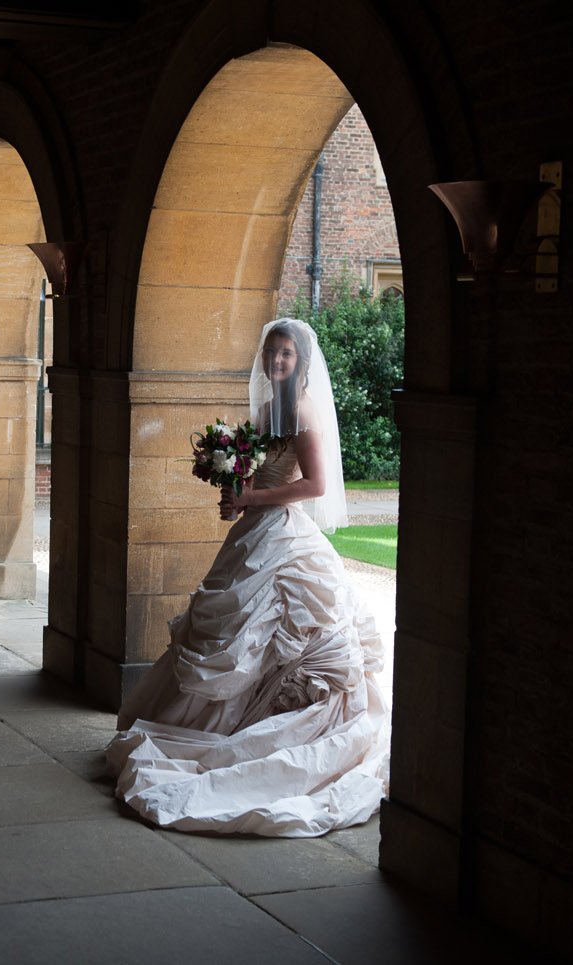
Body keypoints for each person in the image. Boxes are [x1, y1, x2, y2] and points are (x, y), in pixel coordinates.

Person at [106, 318, 389, 836]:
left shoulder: (302, 411)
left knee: (282, 634)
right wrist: (234, 494)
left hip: (284, 536)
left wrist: (250, 498)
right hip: (255, 531)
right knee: (226, 623)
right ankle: (214, 725)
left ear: (301, 362)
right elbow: (256, 475)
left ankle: (264, 736)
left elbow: (315, 485)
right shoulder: (264, 411)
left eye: (286, 354)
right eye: (271, 352)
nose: (277, 361)